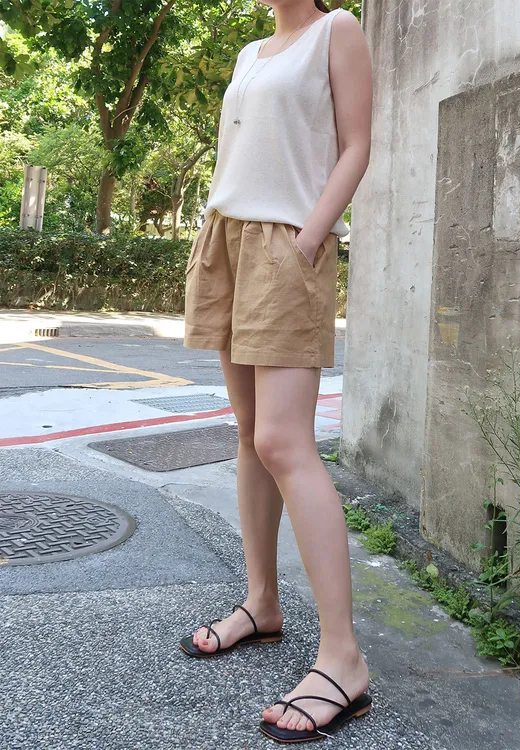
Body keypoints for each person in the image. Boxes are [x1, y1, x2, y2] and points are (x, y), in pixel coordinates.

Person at [181, 0, 373, 742]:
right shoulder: (249, 52)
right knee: (249, 433)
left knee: (283, 442)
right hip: (226, 238)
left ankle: (343, 659)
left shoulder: (338, 29)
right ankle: (262, 603)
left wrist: (310, 238)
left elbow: (356, 145)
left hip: (286, 241)